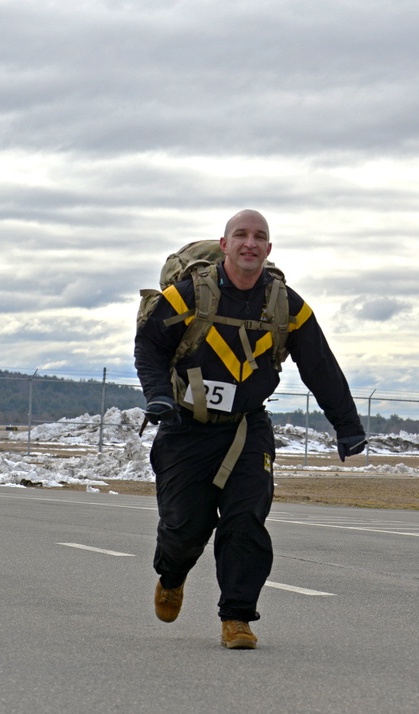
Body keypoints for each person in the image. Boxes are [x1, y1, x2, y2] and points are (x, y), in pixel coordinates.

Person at [134, 209, 367, 649]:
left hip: (246, 429)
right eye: (240, 235)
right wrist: (158, 395)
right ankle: (172, 573)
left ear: (268, 249)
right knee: (185, 527)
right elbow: (149, 343)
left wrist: (347, 426)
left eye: (259, 237)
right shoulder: (188, 296)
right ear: (225, 245)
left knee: (246, 520)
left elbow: (320, 366)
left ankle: (236, 618)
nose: (249, 243)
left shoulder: (286, 305)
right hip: (185, 427)